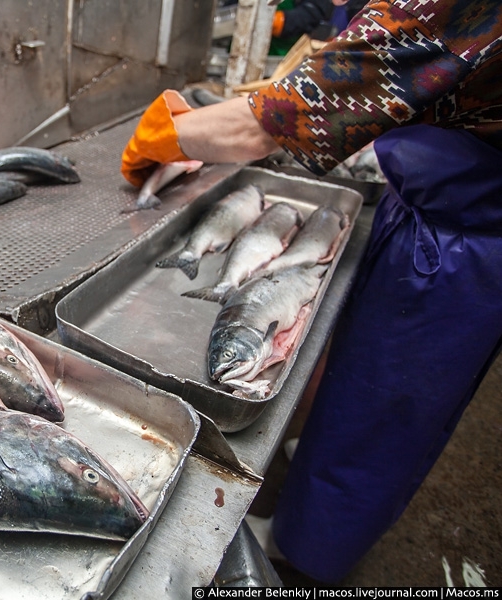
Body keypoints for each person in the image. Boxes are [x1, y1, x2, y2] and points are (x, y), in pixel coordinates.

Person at [121, 0, 502, 584]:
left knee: (382, 413)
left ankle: (306, 553)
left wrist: (171, 134)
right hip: (437, 212)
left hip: (461, 249)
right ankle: (317, 476)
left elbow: (268, 123)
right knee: (356, 373)